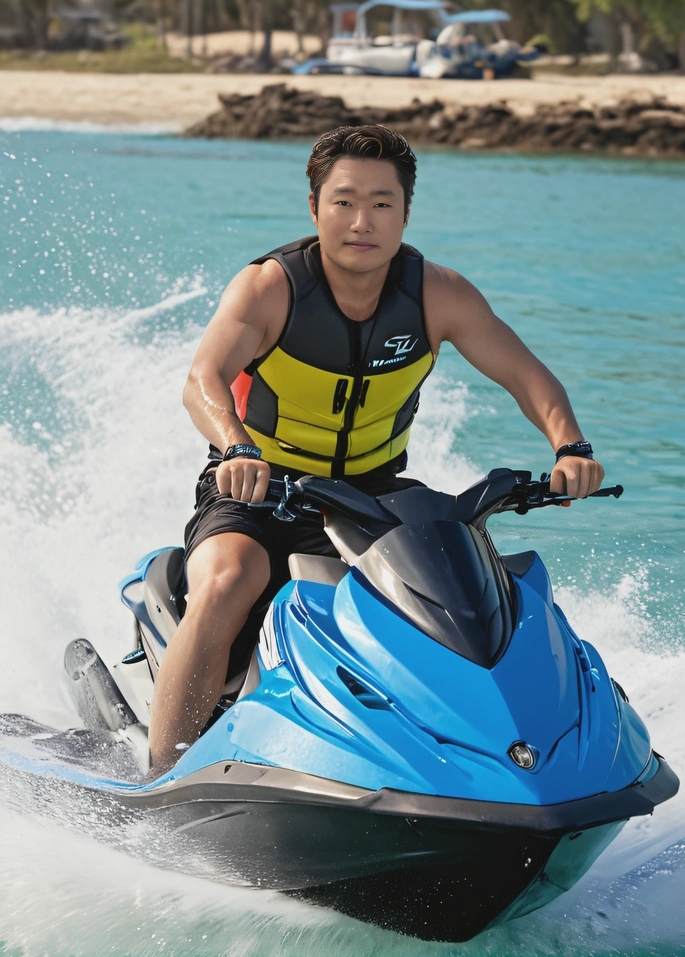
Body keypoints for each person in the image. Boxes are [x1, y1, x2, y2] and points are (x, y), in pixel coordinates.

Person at [148, 124, 603, 771]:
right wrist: (235, 450)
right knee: (228, 579)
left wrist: (570, 446)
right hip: (261, 486)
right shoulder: (271, 288)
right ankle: (163, 771)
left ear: (406, 213)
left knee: (469, 592)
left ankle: (504, 756)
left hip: (374, 496)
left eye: (382, 204)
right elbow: (203, 381)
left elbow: (525, 375)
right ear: (315, 209)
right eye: (344, 201)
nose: (362, 221)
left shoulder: (437, 295)